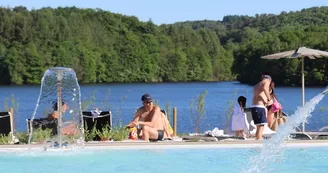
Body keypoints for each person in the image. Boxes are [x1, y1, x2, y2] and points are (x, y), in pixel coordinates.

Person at [250, 72, 272, 140]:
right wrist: (269, 99)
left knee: (258, 126)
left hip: (253, 107)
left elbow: (258, 94)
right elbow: (265, 88)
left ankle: (257, 138)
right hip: (260, 106)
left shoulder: (256, 85)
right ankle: (259, 139)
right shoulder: (267, 80)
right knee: (262, 126)